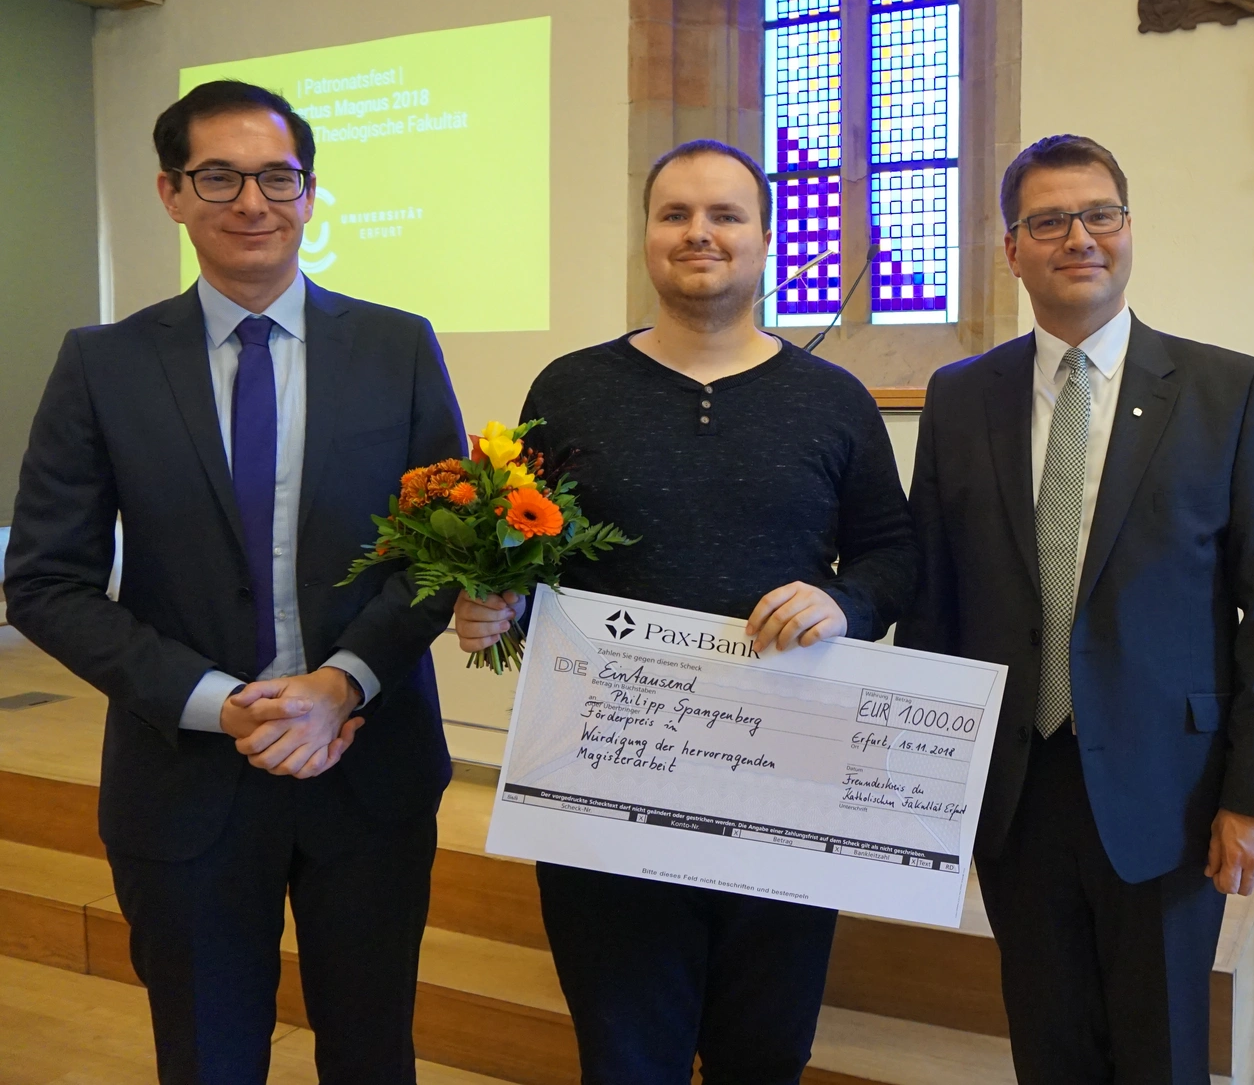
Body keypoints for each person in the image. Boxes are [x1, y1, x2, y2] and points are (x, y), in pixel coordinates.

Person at [3, 80, 465, 1083]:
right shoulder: (103, 364)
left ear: (310, 193)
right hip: (185, 778)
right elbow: (44, 580)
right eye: (218, 177)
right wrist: (222, 703)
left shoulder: (398, 346)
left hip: (369, 767)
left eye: (277, 177)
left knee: (373, 1052)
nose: (252, 201)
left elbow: (444, 554)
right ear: (171, 193)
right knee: (207, 1057)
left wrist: (341, 682)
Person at [453, 139, 916, 1085]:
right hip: (602, 774)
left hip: (782, 776)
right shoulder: (570, 388)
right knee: (627, 1056)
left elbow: (894, 554)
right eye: (675, 214)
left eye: (725, 214)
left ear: (767, 238)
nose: (699, 232)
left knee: (765, 1053)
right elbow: (521, 551)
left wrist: (844, 601)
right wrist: (495, 602)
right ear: (648, 236)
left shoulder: (834, 401)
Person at [897, 134, 1254, 1084]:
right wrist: (928, 783)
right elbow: (933, 603)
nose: (1079, 237)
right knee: (1049, 1049)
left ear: (1128, 229)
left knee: (1161, 1053)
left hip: (1170, 792)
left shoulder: (1226, 390)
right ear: (1012, 249)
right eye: (1049, 221)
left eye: (1100, 214)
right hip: (1015, 790)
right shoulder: (960, 397)